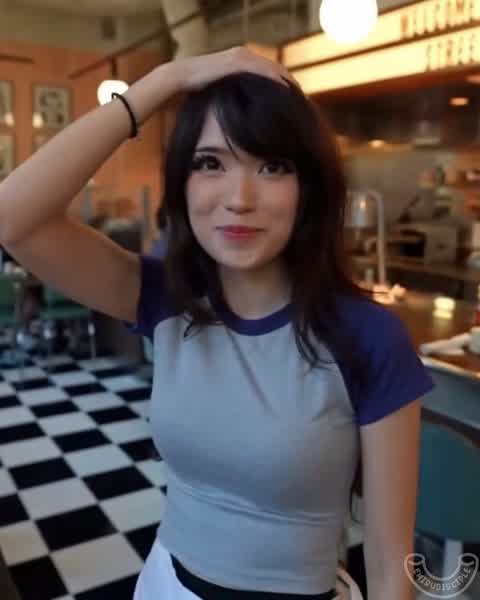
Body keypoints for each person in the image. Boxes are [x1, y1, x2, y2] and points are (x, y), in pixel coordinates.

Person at [0, 47, 435, 600]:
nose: (239, 199)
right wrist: (167, 80)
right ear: (182, 184)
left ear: (309, 190)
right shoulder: (165, 298)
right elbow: (12, 217)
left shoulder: (369, 337)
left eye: (273, 167)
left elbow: (392, 566)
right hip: (165, 586)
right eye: (210, 163)